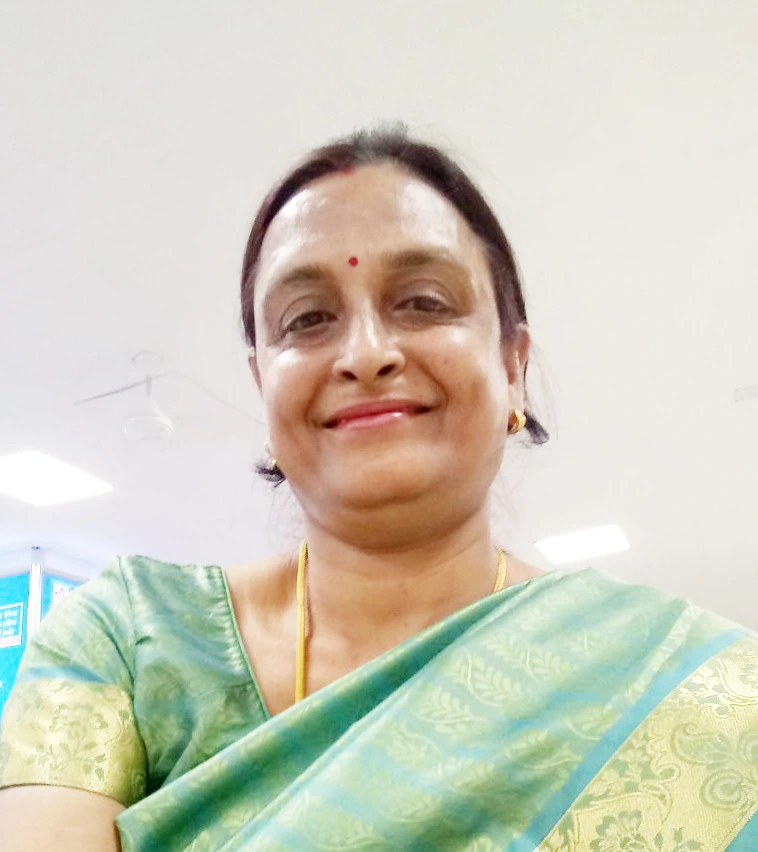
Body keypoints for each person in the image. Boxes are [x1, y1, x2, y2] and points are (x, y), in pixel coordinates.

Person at [2, 126, 757, 852]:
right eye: (307, 319)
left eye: (423, 301)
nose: (365, 354)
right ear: (263, 386)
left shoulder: (686, 692)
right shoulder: (128, 644)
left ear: (513, 366)